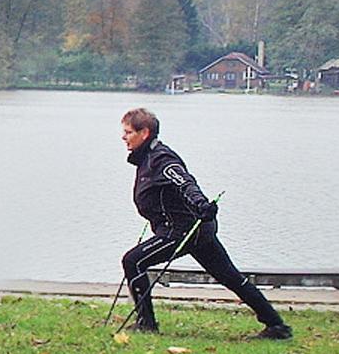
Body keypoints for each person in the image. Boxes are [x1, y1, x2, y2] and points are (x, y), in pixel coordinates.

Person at [119, 107, 292, 339]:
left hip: (182, 231)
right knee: (230, 277)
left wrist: (201, 204)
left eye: (128, 132)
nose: (123, 137)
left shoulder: (162, 159)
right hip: (192, 230)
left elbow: (185, 183)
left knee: (133, 261)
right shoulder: (146, 159)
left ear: (145, 133)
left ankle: (146, 323)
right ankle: (276, 325)